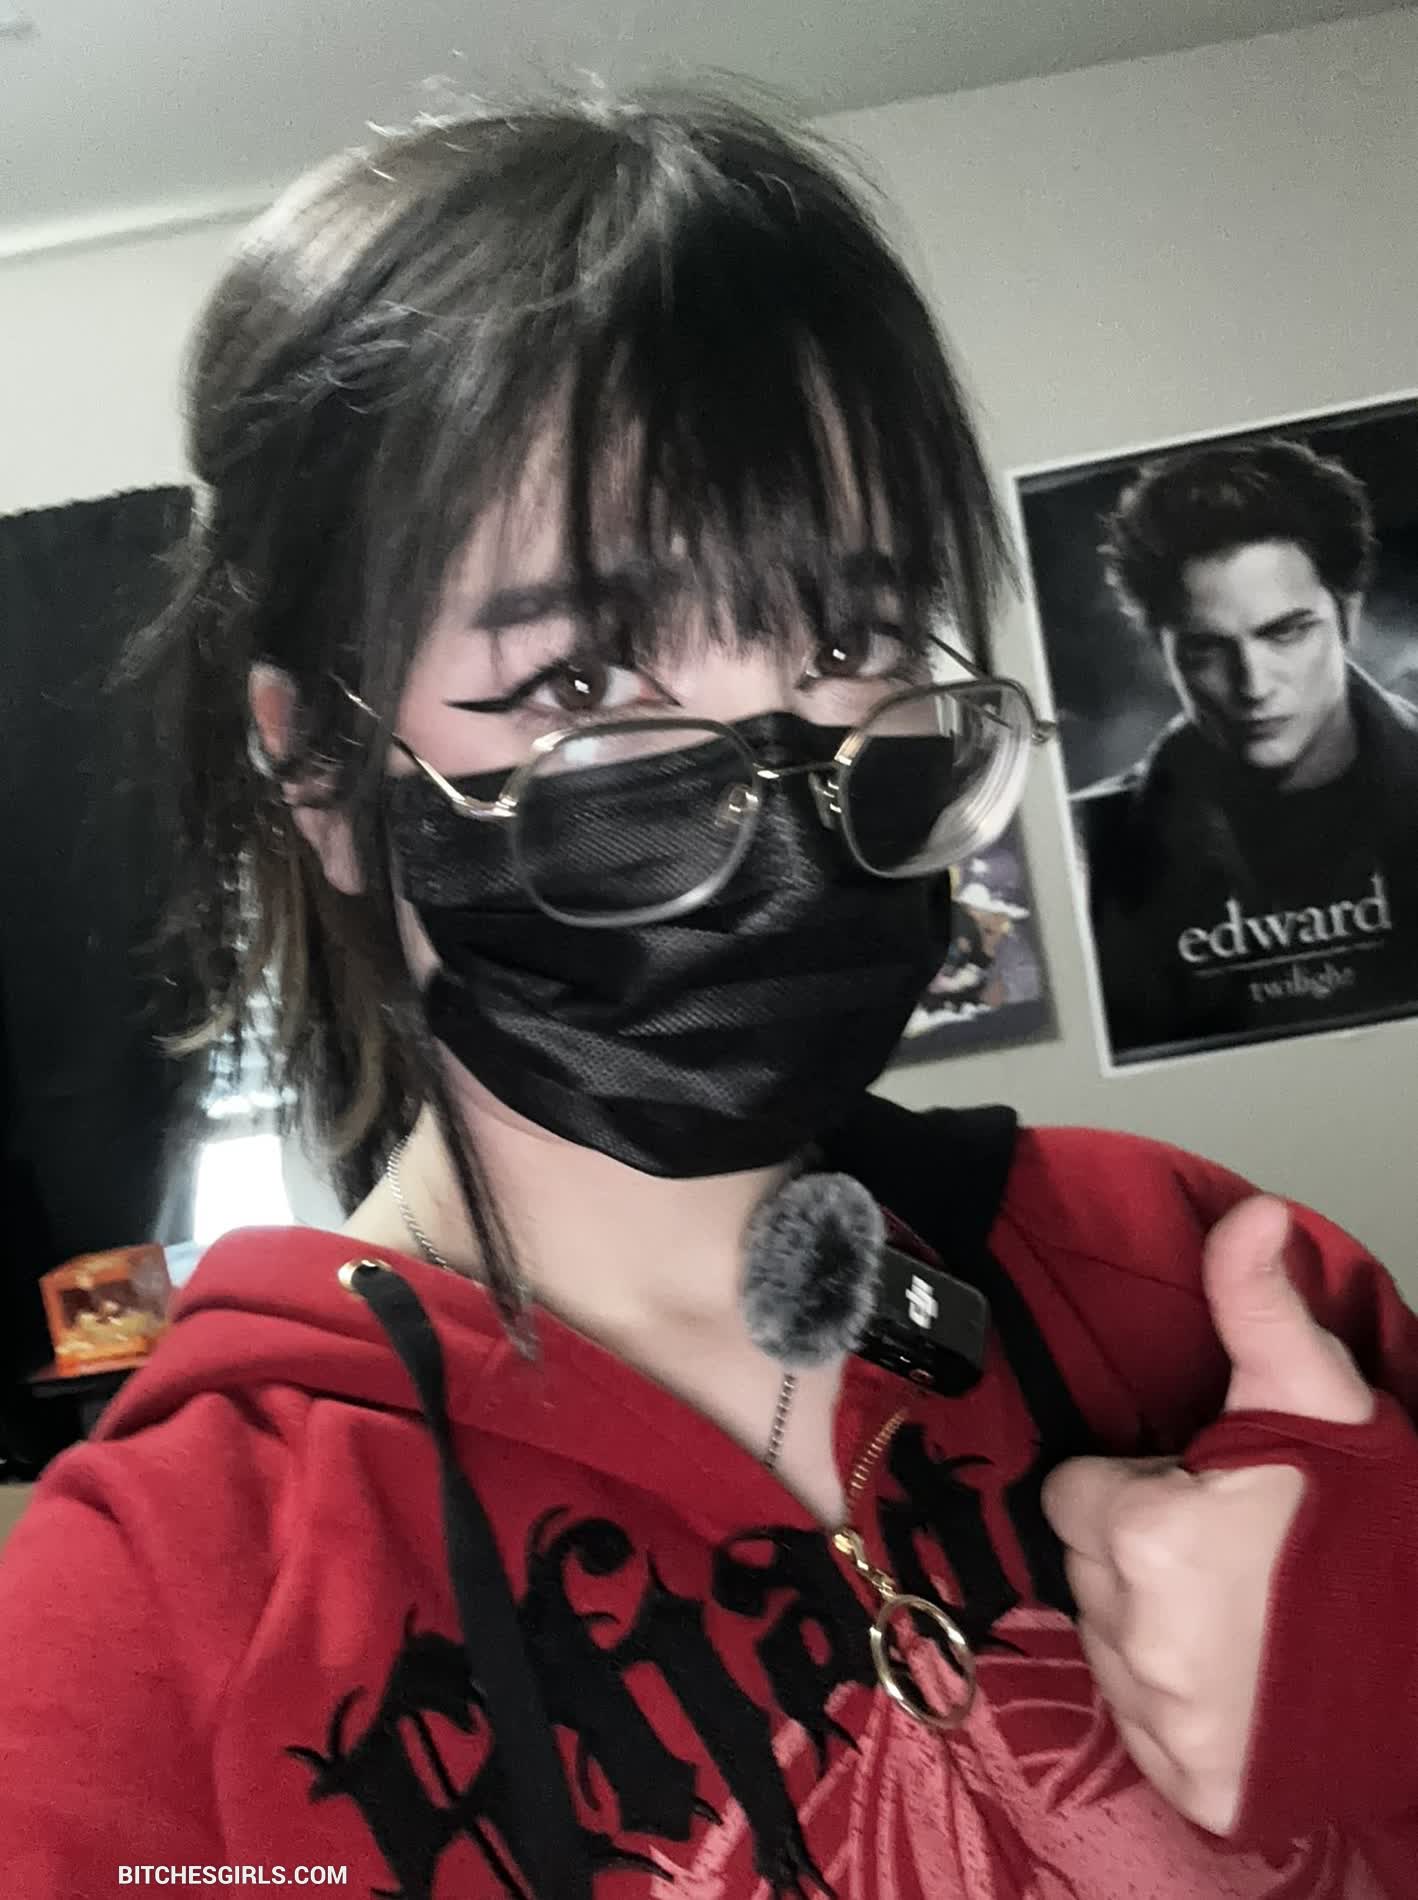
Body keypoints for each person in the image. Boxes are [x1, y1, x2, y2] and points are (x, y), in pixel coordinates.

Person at [3, 93, 1418, 1900]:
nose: (788, 787)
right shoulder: (149, 1617)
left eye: (846, 643)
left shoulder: (1198, 1289)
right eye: (580, 678)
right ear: (316, 765)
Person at [1076, 437, 1418, 1060]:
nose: (1253, 686)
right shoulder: (1088, 848)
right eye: (1206, 650)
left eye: (1286, 633)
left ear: (1348, 618)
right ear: (1163, 652)